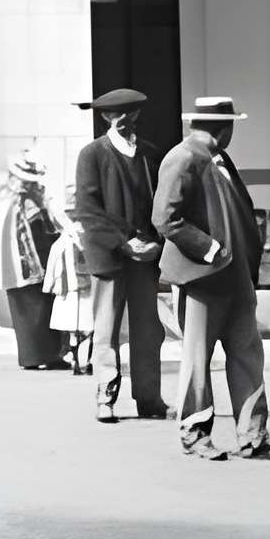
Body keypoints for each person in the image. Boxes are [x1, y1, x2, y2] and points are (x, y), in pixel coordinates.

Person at [154, 97, 270, 458]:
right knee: (197, 360)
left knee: (248, 356)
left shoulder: (217, 158)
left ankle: (254, 434)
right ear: (223, 127)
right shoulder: (183, 157)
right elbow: (164, 217)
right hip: (204, 279)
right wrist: (208, 249)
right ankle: (195, 433)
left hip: (235, 279)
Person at [76, 88, 174, 421]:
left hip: (144, 259)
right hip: (111, 257)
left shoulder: (148, 154)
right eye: (115, 115)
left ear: (136, 116)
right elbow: (88, 211)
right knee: (106, 329)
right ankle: (106, 396)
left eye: (128, 115)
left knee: (149, 330)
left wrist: (156, 243)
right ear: (105, 118)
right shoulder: (92, 154)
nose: (123, 121)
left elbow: (161, 204)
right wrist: (125, 242)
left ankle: (150, 399)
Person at [0, 151, 69, 370]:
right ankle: (43, 356)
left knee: (34, 312)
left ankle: (37, 357)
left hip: (23, 265)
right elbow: (39, 232)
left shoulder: (9, 199)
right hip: (29, 264)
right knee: (36, 312)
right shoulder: (22, 202)